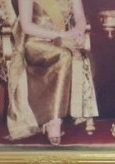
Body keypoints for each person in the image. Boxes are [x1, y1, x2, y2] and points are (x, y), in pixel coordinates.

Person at [15, 0, 98, 145]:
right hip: (36, 42)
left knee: (79, 56)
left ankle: (59, 117)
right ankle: (54, 121)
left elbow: (80, 17)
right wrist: (61, 35)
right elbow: (26, 27)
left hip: (62, 41)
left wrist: (78, 31)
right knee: (65, 56)